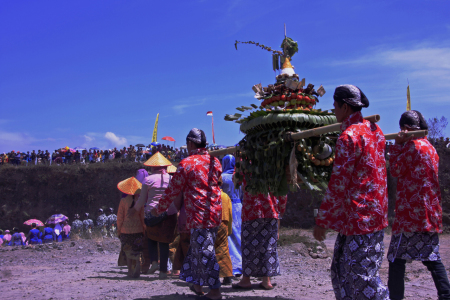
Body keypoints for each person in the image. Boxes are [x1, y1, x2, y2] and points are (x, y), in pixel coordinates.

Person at [313, 85, 389, 299]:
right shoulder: (375, 130)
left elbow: (339, 183)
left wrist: (322, 220)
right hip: (373, 214)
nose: (334, 112)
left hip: (359, 218)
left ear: (345, 107)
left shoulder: (348, 137)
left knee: (361, 278)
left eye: (335, 107)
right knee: (341, 272)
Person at [150, 128, 223, 300]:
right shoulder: (216, 161)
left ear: (190, 143)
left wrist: (158, 209)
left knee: (205, 251)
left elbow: (172, 190)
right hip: (214, 213)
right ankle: (197, 285)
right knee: (198, 248)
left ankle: (215, 290)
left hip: (199, 215)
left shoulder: (186, 164)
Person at [387, 110, 450, 300]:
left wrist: (396, 146)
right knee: (432, 258)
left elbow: (396, 170)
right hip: (429, 211)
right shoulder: (430, 147)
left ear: (404, 128)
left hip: (410, 214)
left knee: (396, 259)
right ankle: (446, 295)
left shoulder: (411, 146)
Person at [131, 152, 176, 279]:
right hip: (169, 213)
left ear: (152, 167)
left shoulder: (148, 180)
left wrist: (135, 209)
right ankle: (163, 272)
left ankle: (154, 262)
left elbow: (142, 200)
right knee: (164, 242)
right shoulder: (171, 179)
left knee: (151, 238)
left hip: (152, 212)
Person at [116, 177, 145, 278]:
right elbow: (142, 217)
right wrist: (144, 229)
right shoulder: (140, 202)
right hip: (138, 229)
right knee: (137, 250)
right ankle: (137, 264)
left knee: (128, 251)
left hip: (125, 230)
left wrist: (119, 230)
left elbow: (120, 217)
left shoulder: (123, 201)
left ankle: (129, 271)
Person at [221, 154, 243, 277]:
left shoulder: (222, 178)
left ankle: (230, 266)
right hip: (239, 207)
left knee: (227, 235)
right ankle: (241, 264)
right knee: (239, 235)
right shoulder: (238, 177)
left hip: (226, 207)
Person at [215, 177, 233, 285]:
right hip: (224, 223)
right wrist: (229, 230)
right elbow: (230, 214)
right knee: (224, 249)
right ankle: (227, 275)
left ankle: (212, 276)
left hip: (212, 223)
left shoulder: (210, 195)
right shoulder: (225, 196)